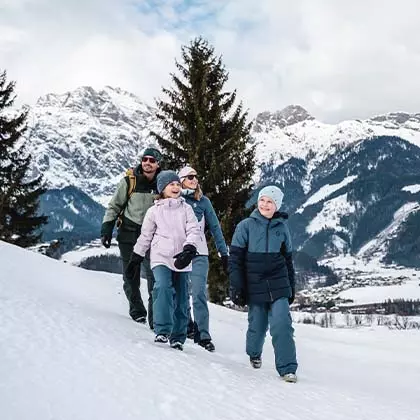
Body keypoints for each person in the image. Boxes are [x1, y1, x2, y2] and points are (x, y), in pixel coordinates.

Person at [228, 185, 298, 383]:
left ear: (277, 206)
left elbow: (288, 260)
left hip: (278, 280)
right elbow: (235, 259)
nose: (265, 205)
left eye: (270, 202)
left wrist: (291, 287)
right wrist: (236, 286)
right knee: (257, 325)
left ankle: (287, 368)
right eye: (262, 200)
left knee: (282, 323)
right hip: (254, 281)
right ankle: (254, 353)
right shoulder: (245, 226)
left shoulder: (282, 228)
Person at [126, 170, 200, 350]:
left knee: (182, 298)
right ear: (162, 189)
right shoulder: (154, 211)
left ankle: (178, 337)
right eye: (171, 184)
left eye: (177, 184)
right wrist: (136, 257)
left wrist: (189, 248)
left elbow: (193, 230)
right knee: (162, 287)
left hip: (182, 258)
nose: (175, 187)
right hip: (160, 257)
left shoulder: (187, 209)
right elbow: (146, 236)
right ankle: (162, 330)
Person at [100, 147, 162, 327]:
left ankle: (156, 316)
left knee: (154, 276)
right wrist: (106, 229)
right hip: (128, 234)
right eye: (145, 159)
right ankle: (137, 311)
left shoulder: (161, 184)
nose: (148, 163)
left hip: (152, 237)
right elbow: (114, 206)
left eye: (152, 160)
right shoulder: (130, 182)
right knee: (130, 275)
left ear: (158, 164)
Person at [178, 166, 229, 352]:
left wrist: (224, 253)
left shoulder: (204, 202)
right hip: (180, 253)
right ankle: (187, 326)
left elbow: (215, 228)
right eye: (190, 177)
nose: (194, 180)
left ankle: (203, 334)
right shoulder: (176, 200)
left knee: (198, 292)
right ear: (181, 180)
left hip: (200, 253)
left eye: (195, 177)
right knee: (182, 292)